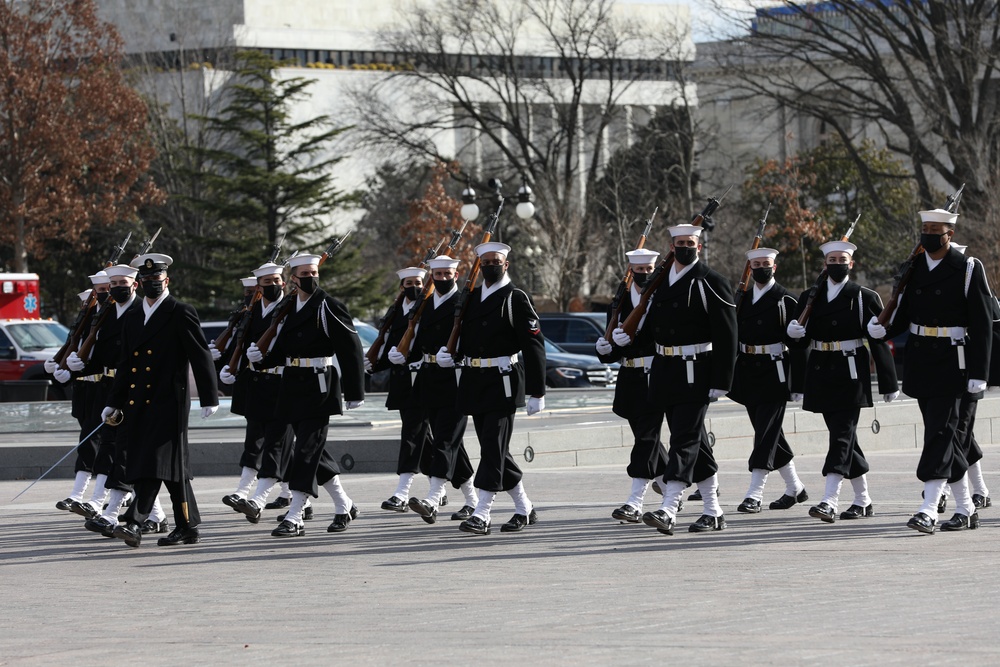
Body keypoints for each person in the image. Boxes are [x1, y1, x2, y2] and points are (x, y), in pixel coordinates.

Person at [867, 209, 992, 533]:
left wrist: (980, 371)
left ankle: (929, 508)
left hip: (955, 360)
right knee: (944, 433)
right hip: (923, 360)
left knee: (940, 432)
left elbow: (981, 324)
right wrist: (883, 330)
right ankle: (965, 508)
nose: (928, 234)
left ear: (949, 234)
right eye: (925, 228)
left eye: (935, 229)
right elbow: (905, 313)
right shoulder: (915, 268)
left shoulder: (966, 268)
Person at [615, 224, 737, 536]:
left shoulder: (710, 281)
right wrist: (625, 336)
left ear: (699, 245)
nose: (685, 247)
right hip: (665, 369)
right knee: (696, 443)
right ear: (671, 246)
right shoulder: (661, 282)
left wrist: (723, 378)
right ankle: (713, 511)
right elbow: (648, 321)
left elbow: (727, 334)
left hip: (697, 369)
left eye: (690, 242)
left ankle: (669, 508)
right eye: (680, 242)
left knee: (683, 439)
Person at [101, 253, 220, 548]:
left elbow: (200, 354)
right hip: (138, 401)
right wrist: (114, 400)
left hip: (169, 401)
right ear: (139, 284)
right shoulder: (133, 316)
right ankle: (187, 525)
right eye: (147, 280)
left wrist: (209, 396)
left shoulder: (179, 311)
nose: (152, 284)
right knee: (173, 468)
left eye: (157, 279)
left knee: (152, 462)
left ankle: (134, 522)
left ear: (167, 280)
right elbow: (126, 362)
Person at [245, 253, 365, 538]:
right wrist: (259, 359)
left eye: (314, 272)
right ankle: (344, 505)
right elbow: (283, 349)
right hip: (292, 387)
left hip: (319, 385)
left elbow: (351, 348)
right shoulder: (290, 308)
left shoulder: (328, 306)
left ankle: (296, 514)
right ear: (293, 279)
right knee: (314, 452)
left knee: (306, 450)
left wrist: (355, 389)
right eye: (304, 274)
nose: (310, 277)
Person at [436, 242, 546, 535]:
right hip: (475, 381)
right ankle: (524, 508)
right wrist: (452, 354)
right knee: (492, 447)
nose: (490, 266)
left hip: (503, 381)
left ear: (506, 264)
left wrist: (538, 391)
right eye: (485, 262)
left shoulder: (515, 298)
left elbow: (534, 346)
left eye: (495, 261)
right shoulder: (470, 297)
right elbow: (464, 338)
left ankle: (482, 513)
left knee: (493, 447)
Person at [787, 240, 898, 524]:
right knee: (846, 439)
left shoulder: (862, 296)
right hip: (822, 372)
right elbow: (799, 344)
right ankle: (863, 500)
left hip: (851, 373)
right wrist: (793, 334)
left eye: (842, 259)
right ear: (824, 265)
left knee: (841, 436)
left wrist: (888, 381)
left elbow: (879, 341)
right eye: (831, 260)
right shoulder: (810, 297)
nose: (837, 264)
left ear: (852, 263)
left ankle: (829, 500)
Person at [729, 248, 808, 513]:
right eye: (756, 264)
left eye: (766, 263)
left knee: (765, 433)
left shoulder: (785, 299)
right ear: (749, 268)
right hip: (749, 370)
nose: (762, 267)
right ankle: (795, 488)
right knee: (770, 432)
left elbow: (799, 345)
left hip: (776, 371)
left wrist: (799, 384)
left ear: (775, 267)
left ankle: (755, 493)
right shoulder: (742, 298)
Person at [595, 248, 670, 524]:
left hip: (655, 375)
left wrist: (635, 340)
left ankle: (635, 501)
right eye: (639, 271)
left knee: (646, 438)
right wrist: (604, 347)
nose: (644, 275)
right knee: (645, 437)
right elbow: (613, 352)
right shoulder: (620, 301)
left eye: (649, 270)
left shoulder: (661, 298)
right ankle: (671, 489)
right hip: (629, 378)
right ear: (631, 271)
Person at [404, 255, 477, 523]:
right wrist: (404, 355)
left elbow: (475, 337)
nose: (444, 278)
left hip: (457, 380)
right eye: (439, 275)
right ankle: (472, 500)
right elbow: (416, 339)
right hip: (430, 378)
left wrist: (458, 356)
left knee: (446, 439)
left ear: (456, 276)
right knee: (448, 442)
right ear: (432, 277)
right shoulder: (426, 304)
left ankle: (433, 499)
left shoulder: (464, 302)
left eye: (448, 274)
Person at [219, 264, 296, 512]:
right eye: (266, 282)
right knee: (255, 440)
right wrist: (230, 367)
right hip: (257, 384)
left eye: (276, 280)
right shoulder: (252, 313)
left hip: (284, 383)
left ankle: (257, 497)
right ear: (259, 287)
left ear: (283, 282)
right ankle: (285, 494)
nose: (271, 285)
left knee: (276, 443)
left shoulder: (292, 308)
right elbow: (241, 346)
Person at [80, 264, 147, 537]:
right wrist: (76, 366)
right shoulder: (108, 313)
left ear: (135, 284)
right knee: (110, 446)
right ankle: (153, 514)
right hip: (111, 389)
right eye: (113, 282)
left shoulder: (142, 310)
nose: (117, 287)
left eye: (122, 282)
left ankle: (110, 512)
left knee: (126, 450)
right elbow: (101, 353)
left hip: (136, 390)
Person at [373, 266, 436, 512]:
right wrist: (376, 363)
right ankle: (443, 488)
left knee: (412, 434)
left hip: (422, 379)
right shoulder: (398, 312)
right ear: (402, 288)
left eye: (419, 282)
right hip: (402, 383)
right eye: (410, 283)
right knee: (425, 439)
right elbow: (390, 347)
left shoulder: (428, 309)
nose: (415, 287)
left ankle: (402, 492)